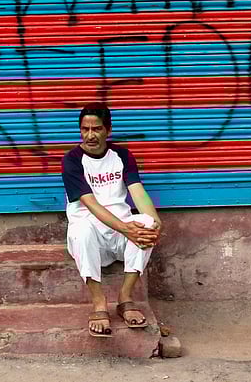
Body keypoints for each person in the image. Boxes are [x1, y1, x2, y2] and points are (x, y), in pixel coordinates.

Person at [62, 102, 162, 338]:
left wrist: (156, 221)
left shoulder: (122, 156)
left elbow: (136, 190)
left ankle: (125, 299)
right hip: (91, 234)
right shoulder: (72, 161)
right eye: (85, 129)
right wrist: (127, 230)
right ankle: (99, 303)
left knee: (146, 225)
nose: (90, 135)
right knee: (81, 229)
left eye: (96, 129)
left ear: (108, 129)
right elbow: (91, 204)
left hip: (119, 232)